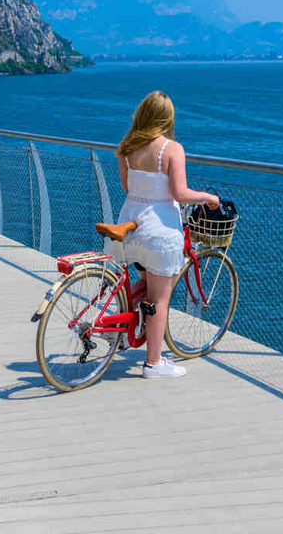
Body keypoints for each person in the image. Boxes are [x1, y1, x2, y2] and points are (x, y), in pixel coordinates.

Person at [112, 91, 220, 379]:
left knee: (146, 286)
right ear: (166, 119)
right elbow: (180, 193)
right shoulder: (172, 149)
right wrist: (209, 197)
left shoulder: (126, 147)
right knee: (160, 299)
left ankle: (119, 322)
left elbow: (126, 186)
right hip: (159, 232)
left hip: (130, 226)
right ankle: (154, 364)